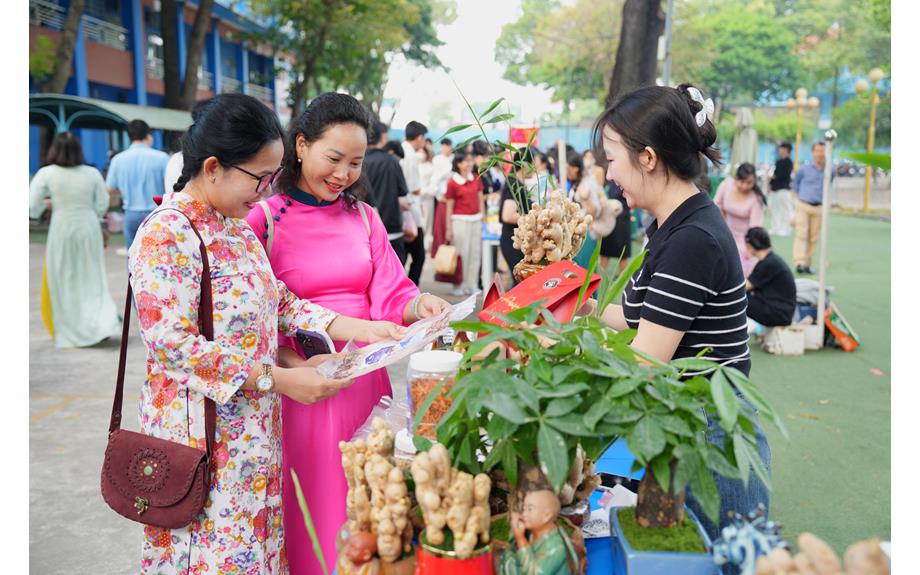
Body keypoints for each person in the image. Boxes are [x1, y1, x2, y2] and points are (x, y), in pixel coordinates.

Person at [129, 93, 403, 574]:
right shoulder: (166, 234)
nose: (267, 191)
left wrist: (368, 329)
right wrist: (279, 378)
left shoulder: (233, 229)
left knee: (256, 554)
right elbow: (174, 345)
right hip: (202, 441)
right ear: (213, 167)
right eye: (260, 177)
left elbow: (283, 304)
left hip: (255, 437)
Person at [244, 92, 450, 575]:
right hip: (299, 389)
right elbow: (248, 319)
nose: (343, 174)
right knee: (307, 503)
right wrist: (293, 367)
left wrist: (420, 304)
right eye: (333, 158)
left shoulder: (363, 217)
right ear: (300, 146)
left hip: (364, 383)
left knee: (363, 500)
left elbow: (392, 291)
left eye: (355, 163)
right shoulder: (264, 218)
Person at [591, 83, 770, 542]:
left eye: (612, 158)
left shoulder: (692, 239)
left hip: (710, 432)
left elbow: (646, 362)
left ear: (647, 157)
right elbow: (633, 317)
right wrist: (572, 308)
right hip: (687, 420)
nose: (610, 173)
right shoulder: (673, 225)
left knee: (719, 555)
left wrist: (562, 349)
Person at [29, 132, 121, 348]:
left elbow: (33, 207)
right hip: (88, 226)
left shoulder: (46, 173)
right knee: (93, 277)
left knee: (64, 279)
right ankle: (101, 324)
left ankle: (71, 329)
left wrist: (48, 205)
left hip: (62, 228)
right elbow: (102, 204)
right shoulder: (91, 173)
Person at [106, 119, 169, 251]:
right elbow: (170, 185)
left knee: (133, 256)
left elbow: (110, 189)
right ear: (148, 135)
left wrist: (125, 189)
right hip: (156, 213)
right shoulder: (162, 157)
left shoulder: (118, 159)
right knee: (158, 255)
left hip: (131, 214)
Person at [364, 121, 410, 264]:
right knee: (395, 272)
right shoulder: (391, 161)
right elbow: (402, 194)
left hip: (364, 229)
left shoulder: (358, 161)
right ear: (383, 138)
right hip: (391, 227)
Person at [714, 162, 766, 277]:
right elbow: (717, 206)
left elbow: (755, 228)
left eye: (749, 183)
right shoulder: (726, 185)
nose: (744, 186)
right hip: (725, 231)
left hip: (745, 239)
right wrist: (722, 228)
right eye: (742, 182)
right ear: (736, 178)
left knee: (741, 265)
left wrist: (748, 248)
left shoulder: (756, 199)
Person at [445, 151, 485, 296]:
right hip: (459, 221)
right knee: (462, 254)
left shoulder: (476, 178)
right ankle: (459, 284)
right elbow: (449, 206)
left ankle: (472, 284)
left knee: (475, 254)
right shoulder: (452, 182)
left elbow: (480, 200)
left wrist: (483, 221)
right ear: (458, 164)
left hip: (476, 220)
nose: (469, 164)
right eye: (465, 161)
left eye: (470, 161)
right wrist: (448, 228)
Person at [744, 227, 796, 329]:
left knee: (737, 299)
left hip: (779, 314)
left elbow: (743, 288)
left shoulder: (768, 263)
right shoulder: (771, 260)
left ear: (750, 245)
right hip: (782, 312)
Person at [499, 148, 536, 286]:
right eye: (534, 164)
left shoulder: (517, 182)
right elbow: (507, 215)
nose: (536, 168)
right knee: (521, 284)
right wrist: (533, 218)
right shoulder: (514, 183)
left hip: (517, 240)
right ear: (525, 164)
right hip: (512, 240)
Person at [792, 142, 828, 274]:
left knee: (813, 237)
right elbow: (795, 185)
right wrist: (795, 203)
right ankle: (799, 262)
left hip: (818, 207)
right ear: (813, 153)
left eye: (822, 151)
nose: (820, 154)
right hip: (803, 204)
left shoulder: (829, 170)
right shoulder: (803, 169)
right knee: (801, 234)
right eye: (817, 151)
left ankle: (807, 263)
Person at [565, 150, 603, 269]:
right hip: (575, 232)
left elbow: (595, 210)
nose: (566, 171)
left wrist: (585, 198)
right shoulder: (576, 182)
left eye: (568, 168)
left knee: (585, 270)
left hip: (587, 233)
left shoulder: (587, 183)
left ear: (575, 168)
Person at [401, 121, 428, 285]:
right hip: (410, 210)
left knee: (403, 255)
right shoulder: (410, 155)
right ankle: (410, 289)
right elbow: (414, 187)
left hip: (402, 209)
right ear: (419, 138)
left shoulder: (402, 149)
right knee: (418, 256)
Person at [599, 181, 632, 273]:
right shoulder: (611, 182)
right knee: (605, 251)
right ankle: (600, 278)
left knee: (623, 252)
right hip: (609, 220)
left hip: (622, 219)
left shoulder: (628, 182)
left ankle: (621, 278)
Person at [768, 142, 794, 237]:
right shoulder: (778, 162)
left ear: (787, 150)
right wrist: (770, 184)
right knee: (775, 209)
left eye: (782, 148)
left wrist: (774, 177)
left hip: (784, 189)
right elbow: (775, 174)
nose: (780, 150)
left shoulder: (789, 162)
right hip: (775, 189)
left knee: (786, 210)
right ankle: (775, 227)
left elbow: (784, 175)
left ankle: (786, 229)